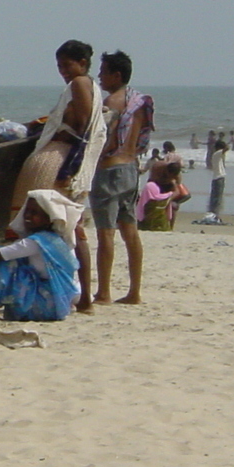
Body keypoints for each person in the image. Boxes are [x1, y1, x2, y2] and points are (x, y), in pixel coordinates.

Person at [10, 40, 105, 313]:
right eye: (59, 66)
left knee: (52, 226)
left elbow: (83, 127)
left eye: (67, 65)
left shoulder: (79, 84)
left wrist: (59, 133)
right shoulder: (89, 87)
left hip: (60, 162)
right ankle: (82, 296)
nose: (63, 71)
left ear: (83, 64)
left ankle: (70, 295)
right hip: (66, 163)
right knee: (73, 229)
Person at [90, 50, 155, 305]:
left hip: (110, 170)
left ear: (116, 75)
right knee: (130, 231)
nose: (99, 76)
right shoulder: (138, 101)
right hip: (131, 168)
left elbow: (103, 141)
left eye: (103, 71)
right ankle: (134, 292)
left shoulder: (111, 103)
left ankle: (104, 292)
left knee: (105, 232)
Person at [0, 191, 81, 322]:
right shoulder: (55, 240)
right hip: (57, 303)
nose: (27, 216)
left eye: (34, 213)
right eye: (26, 211)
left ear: (48, 218)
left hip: (43, 305)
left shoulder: (36, 242)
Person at [207, 131, 228, 215]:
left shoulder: (215, 154)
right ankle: (215, 214)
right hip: (219, 178)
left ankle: (213, 212)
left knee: (215, 197)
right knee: (218, 198)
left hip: (216, 177)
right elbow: (227, 148)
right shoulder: (217, 154)